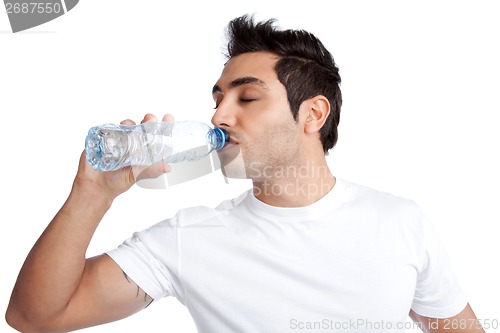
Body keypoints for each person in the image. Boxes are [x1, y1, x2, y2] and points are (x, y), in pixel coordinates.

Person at [6, 15, 485, 333]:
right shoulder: (188, 236)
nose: (218, 116)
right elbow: (34, 316)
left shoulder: (401, 221)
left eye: (246, 97)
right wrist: (92, 194)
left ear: (313, 114)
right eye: (217, 99)